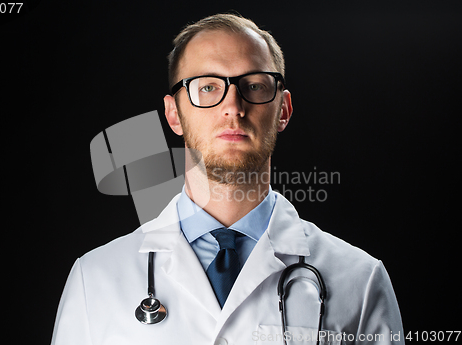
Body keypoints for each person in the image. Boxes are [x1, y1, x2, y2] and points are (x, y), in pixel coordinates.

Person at [51, 13, 404, 345]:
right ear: (174, 115)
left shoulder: (360, 279)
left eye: (253, 85)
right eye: (207, 87)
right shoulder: (93, 280)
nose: (233, 106)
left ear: (283, 110)